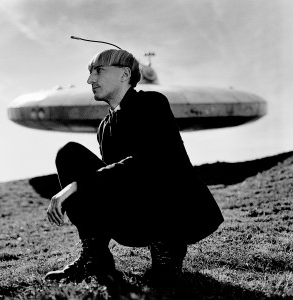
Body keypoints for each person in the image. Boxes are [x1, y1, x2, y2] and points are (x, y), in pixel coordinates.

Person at [45, 49, 224, 284]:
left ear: (124, 74)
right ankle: (95, 258)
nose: (90, 80)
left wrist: (76, 185)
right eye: (90, 73)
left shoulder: (152, 103)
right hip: (133, 217)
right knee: (69, 154)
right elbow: (113, 178)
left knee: (153, 171)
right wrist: (82, 186)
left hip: (174, 215)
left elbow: (150, 162)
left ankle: (166, 258)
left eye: (98, 71)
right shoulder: (105, 126)